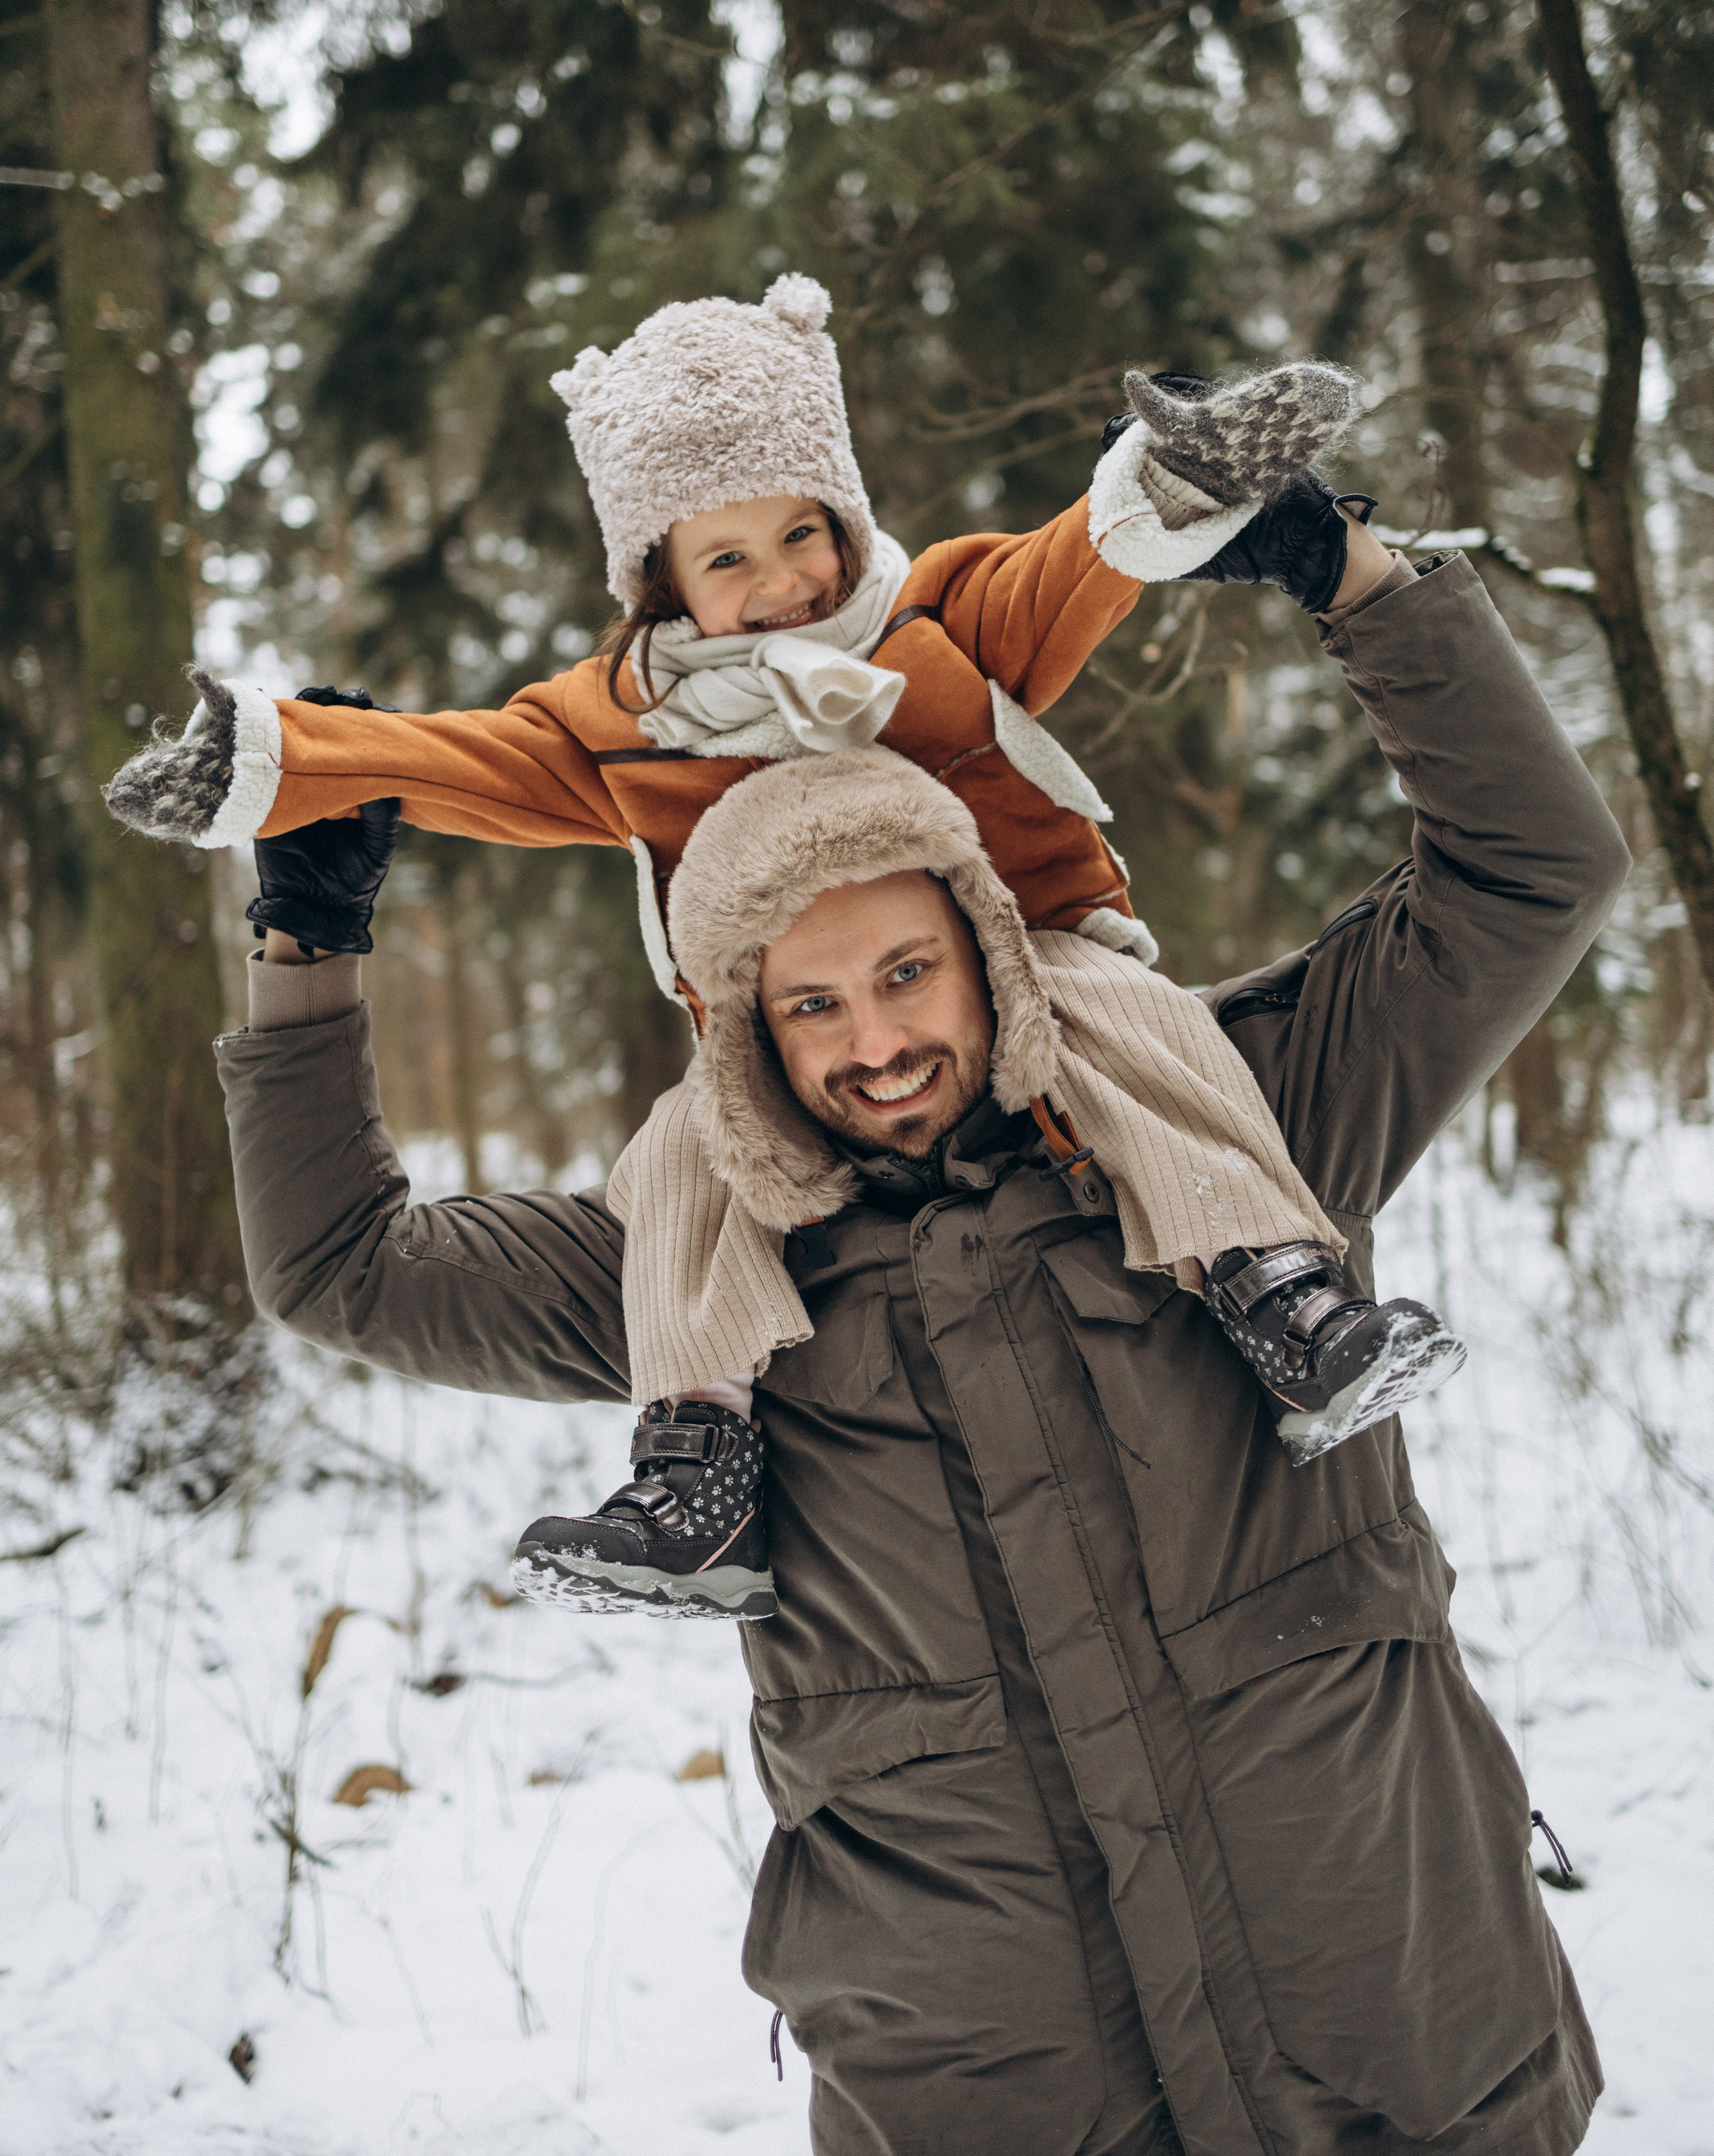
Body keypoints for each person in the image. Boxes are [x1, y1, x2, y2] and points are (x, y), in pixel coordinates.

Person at [217, 533, 1624, 2153]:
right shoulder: (696, 1273)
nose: (874, 1043)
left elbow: (1531, 872)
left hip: (1399, 2042)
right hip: (998, 2094)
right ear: (742, 1023)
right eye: (809, 1006)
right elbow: (340, 1264)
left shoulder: (1241, 1119)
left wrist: (1351, 576)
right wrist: (308, 949)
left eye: (904, 973)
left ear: (985, 945)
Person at [108, 277, 1462, 1616]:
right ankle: (699, 1454)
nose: (777, 586)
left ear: (843, 516)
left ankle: (1277, 1292)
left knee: (1140, 1039)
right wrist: (274, 766)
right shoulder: (623, 724)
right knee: (691, 1155)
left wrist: (1181, 479)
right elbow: (459, 761)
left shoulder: (935, 628)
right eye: (725, 558)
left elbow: (1074, 568)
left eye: (798, 534)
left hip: (1029, 961)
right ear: (660, 583)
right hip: (768, 1045)